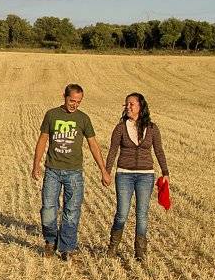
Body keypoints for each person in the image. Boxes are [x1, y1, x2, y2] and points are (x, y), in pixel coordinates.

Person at [31, 84, 111, 260]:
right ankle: (51, 241)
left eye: (78, 102)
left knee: (72, 211)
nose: (74, 104)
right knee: (48, 210)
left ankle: (67, 248)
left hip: (74, 172)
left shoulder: (83, 119)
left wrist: (103, 170)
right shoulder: (51, 115)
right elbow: (42, 140)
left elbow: (93, 145)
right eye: (72, 100)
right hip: (52, 171)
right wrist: (36, 164)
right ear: (64, 97)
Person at [104, 92, 169, 262]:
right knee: (122, 213)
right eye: (126, 104)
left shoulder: (153, 128)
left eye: (131, 104)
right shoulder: (120, 128)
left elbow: (159, 150)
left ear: (141, 107)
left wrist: (165, 172)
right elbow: (113, 150)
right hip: (124, 174)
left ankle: (140, 251)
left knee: (142, 214)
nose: (128, 107)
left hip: (146, 175)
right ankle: (113, 247)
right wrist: (106, 171)